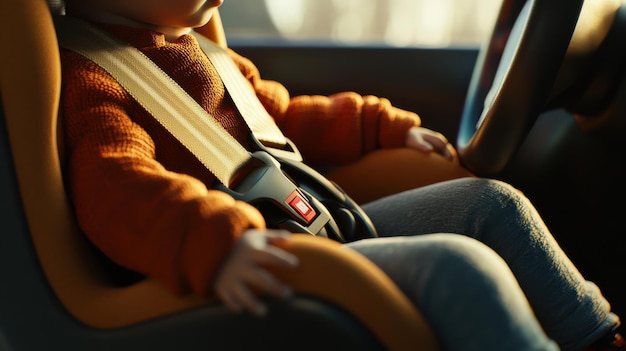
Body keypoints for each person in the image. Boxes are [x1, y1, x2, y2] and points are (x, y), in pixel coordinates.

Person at [54, 0, 623, 350]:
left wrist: (381, 127)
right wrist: (215, 243)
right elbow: (114, 186)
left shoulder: (195, 46)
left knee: (494, 204)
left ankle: (594, 337)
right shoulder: (92, 79)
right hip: (258, 255)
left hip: (316, 221)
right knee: (458, 266)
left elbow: (274, 116)